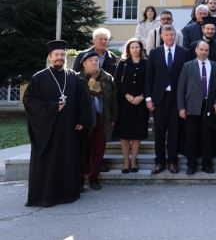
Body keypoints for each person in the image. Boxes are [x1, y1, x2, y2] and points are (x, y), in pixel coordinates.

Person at [24, 40, 90, 207]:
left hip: (69, 129)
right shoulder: (39, 78)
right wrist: (52, 107)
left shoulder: (74, 77)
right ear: (50, 57)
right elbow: (29, 102)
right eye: (56, 55)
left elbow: (84, 100)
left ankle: (67, 194)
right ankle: (45, 196)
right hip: (48, 130)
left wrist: (82, 120)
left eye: (62, 55)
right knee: (49, 161)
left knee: (68, 160)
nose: (60, 58)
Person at [145, 25, 189, 175]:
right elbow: (149, 77)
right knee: (159, 133)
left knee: (174, 132)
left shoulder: (184, 52)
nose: (170, 37)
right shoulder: (154, 53)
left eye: (172, 34)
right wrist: (148, 98)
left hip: (177, 99)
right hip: (159, 99)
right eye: (167, 35)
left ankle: (172, 161)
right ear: (162, 36)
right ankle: (159, 162)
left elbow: (187, 78)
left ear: (175, 35)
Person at [177, 41, 216, 175]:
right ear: (196, 50)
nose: (204, 52)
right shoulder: (187, 66)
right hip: (191, 107)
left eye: (206, 50)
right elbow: (181, 88)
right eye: (201, 50)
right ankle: (191, 165)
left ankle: (207, 164)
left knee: (207, 137)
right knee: (191, 137)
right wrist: (181, 107)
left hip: (209, 106)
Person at [77, 51, 117, 191]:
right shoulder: (77, 78)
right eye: (91, 60)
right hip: (84, 121)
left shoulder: (107, 78)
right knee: (83, 152)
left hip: (101, 119)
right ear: (84, 63)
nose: (94, 63)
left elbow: (113, 100)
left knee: (98, 151)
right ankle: (80, 180)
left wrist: (113, 117)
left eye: (96, 60)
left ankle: (94, 178)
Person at [113, 38, 149, 174]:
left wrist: (142, 96)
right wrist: (127, 95)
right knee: (125, 135)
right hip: (125, 103)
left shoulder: (146, 63)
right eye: (132, 47)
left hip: (140, 104)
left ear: (141, 49)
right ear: (128, 49)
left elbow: (149, 82)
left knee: (136, 135)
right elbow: (117, 81)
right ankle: (125, 162)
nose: (135, 49)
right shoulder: (122, 63)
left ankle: (134, 161)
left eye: (137, 47)